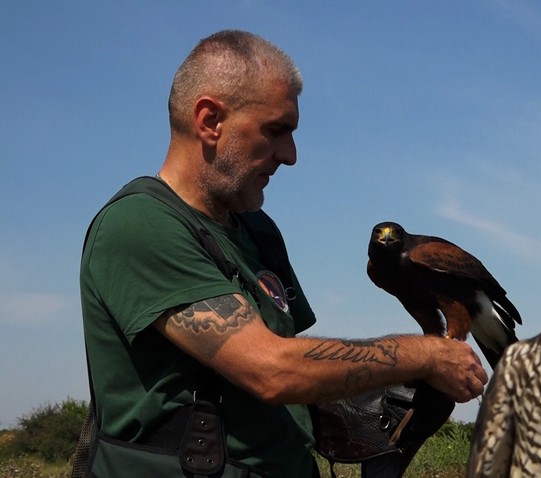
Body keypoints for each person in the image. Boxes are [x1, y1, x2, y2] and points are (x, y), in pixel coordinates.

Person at [79, 29, 488, 477]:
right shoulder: (141, 224)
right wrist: (426, 355)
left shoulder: (258, 231)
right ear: (210, 121)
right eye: (276, 131)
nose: (290, 155)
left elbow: (292, 358)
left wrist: (373, 394)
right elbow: (270, 369)